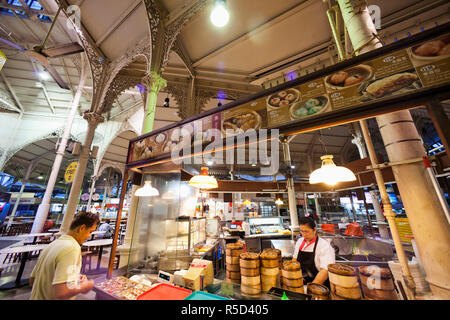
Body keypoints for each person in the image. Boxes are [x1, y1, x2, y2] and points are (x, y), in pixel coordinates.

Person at [30, 211, 100, 300]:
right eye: (90, 231)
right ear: (82, 228)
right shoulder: (72, 248)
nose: (89, 236)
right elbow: (61, 293)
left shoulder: (53, 244)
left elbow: (32, 281)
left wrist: (73, 277)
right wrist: (85, 286)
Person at [292, 217, 335, 288]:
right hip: (301, 283)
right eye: (301, 231)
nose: (303, 235)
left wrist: (311, 288)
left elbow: (324, 271)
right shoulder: (300, 242)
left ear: (314, 230)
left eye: (306, 231)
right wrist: (296, 275)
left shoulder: (324, 245)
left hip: (319, 285)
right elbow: (294, 260)